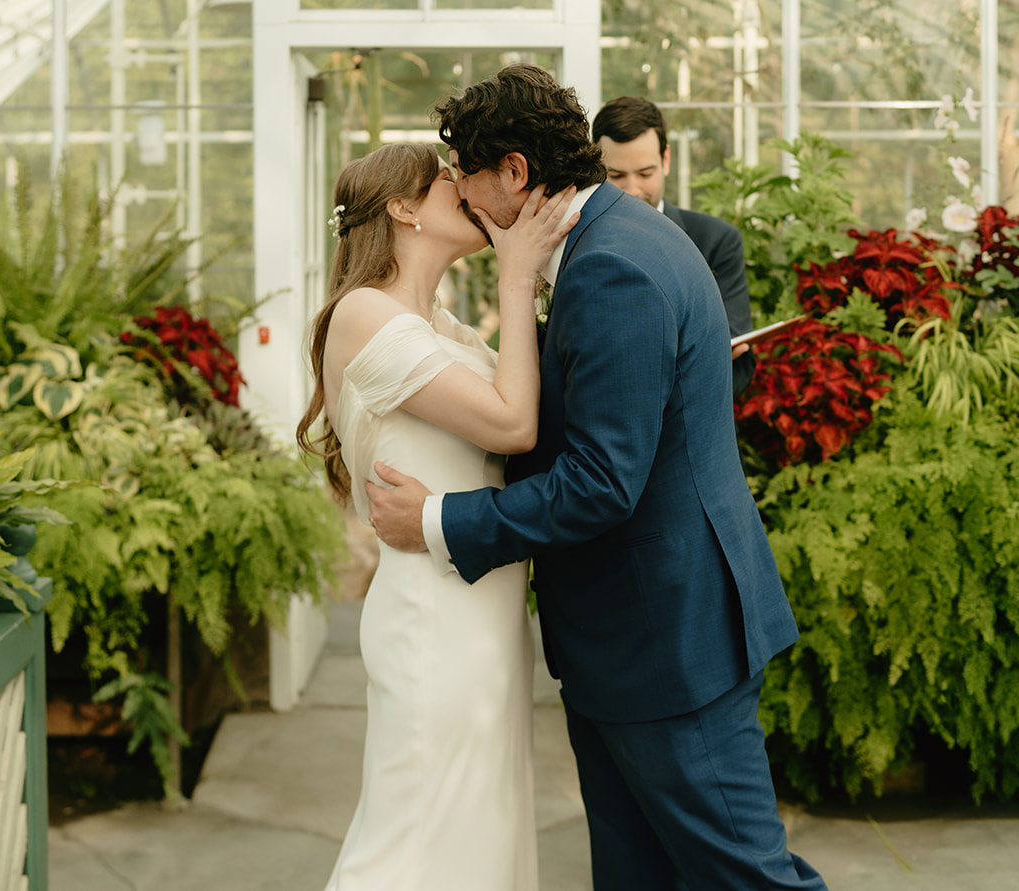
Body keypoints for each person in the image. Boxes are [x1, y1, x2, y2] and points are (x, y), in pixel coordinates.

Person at [367, 65, 826, 891]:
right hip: (635, 643)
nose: (463, 199)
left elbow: (601, 482)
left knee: (749, 880)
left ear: (512, 173)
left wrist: (441, 520)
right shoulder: (605, 240)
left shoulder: (612, 264)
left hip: (668, 643)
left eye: (466, 179)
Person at [296, 142, 577, 891]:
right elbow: (514, 423)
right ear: (404, 207)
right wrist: (517, 277)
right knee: (413, 839)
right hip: (430, 620)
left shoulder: (448, 328)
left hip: (486, 616)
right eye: (447, 181)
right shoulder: (362, 314)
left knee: (482, 833)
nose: (466, 190)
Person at [593, 95, 756, 396]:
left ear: (666, 161)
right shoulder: (575, 241)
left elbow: (739, 363)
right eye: (616, 176)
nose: (632, 190)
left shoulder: (716, 242)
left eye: (645, 173)